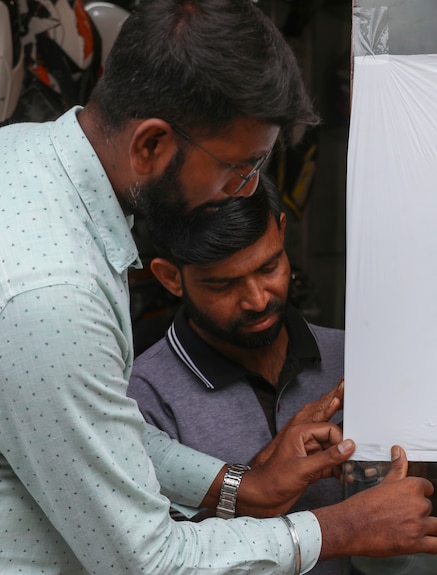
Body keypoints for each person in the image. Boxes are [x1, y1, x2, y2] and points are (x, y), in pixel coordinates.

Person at [0, 0, 437, 572]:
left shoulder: (25, 158)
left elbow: (96, 435)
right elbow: (147, 561)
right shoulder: (53, 296)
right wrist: (338, 528)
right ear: (151, 146)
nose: (243, 193)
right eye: (239, 168)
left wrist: (242, 487)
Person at [128, 177, 348, 574]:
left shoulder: (351, 359)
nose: (257, 299)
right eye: (223, 284)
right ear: (170, 278)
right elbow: (159, 559)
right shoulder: (139, 398)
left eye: (269, 267)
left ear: (282, 231)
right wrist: (259, 476)